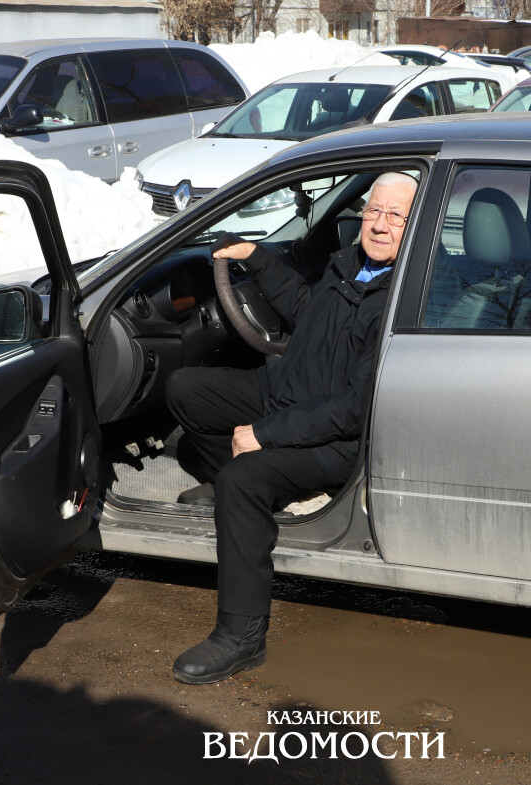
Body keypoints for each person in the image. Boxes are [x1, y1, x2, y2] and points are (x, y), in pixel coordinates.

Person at [165, 171, 418, 684]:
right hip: (286, 391)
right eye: (373, 210)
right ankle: (256, 498)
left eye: (395, 215)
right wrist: (257, 259)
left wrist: (266, 434)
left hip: (335, 438)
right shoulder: (349, 265)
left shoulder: (399, 296)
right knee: (184, 389)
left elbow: (354, 409)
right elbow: (307, 312)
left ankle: (240, 636)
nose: (380, 223)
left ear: (413, 226)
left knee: (241, 480)